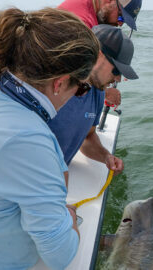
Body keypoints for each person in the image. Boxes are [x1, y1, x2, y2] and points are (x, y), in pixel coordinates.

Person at [0, 8, 99, 270]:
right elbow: (61, 254)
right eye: (81, 87)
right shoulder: (26, 138)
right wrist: (68, 218)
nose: (79, 94)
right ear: (59, 83)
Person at [48, 25, 138, 177]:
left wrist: (105, 156)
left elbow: (88, 137)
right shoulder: (49, 86)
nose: (118, 79)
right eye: (116, 71)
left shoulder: (97, 91)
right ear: (99, 55)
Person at [58, 0, 142, 106]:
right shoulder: (82, 25)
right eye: (121, 17)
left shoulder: (89, 9)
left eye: (124, 21)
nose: (120, 24)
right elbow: (69, 78)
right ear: (109, 1)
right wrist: (104, 92)